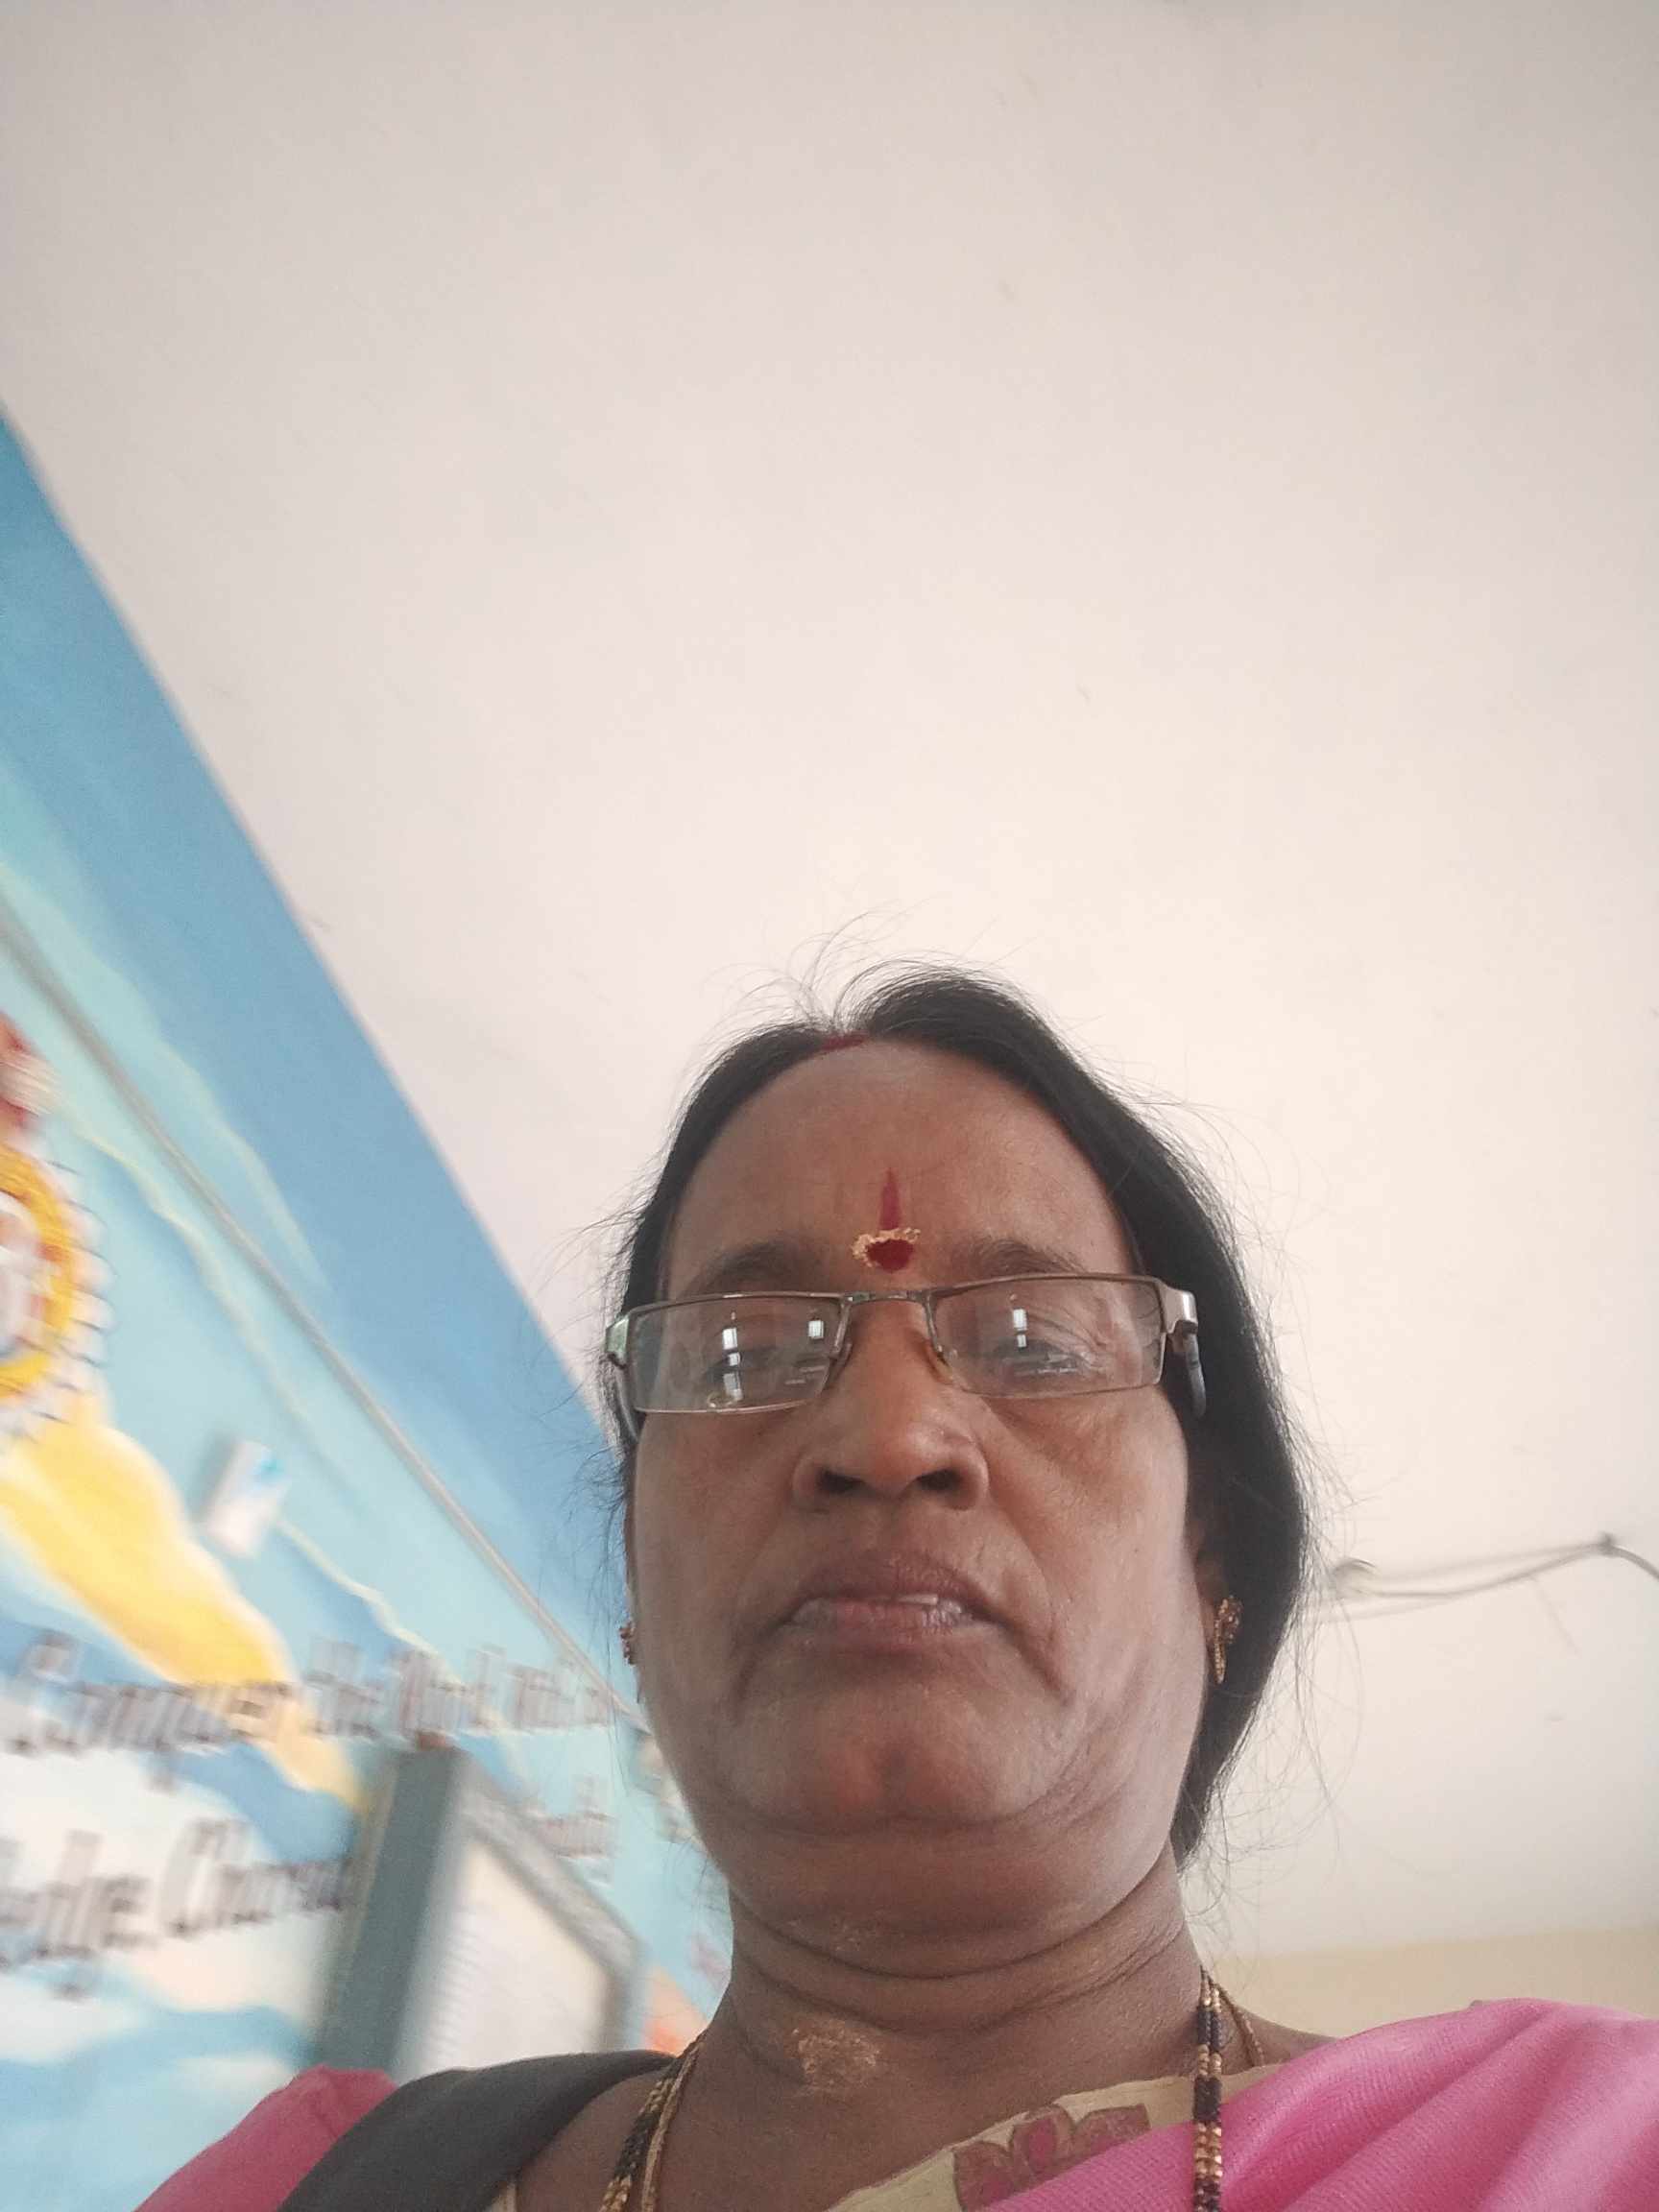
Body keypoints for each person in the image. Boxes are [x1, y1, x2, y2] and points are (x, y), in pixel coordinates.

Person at [144, 971, 1659, 2211]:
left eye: (1035, 1343)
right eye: (739, 1355)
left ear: (1215, 1563)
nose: (886, 1436)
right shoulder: (309, 2189)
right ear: (635, 1591)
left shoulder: (1579, 2159)